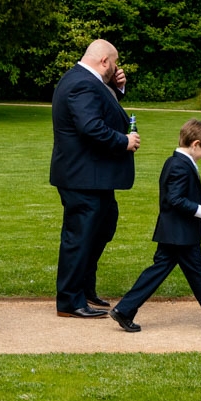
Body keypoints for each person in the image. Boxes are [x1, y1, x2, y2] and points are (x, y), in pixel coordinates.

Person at [109, 118, 201, 333]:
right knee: (197, 274)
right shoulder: (179, 166)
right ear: (195, 144)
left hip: (175, 232)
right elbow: (175, 199)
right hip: (180, 233)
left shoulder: (176, 162)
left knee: (162, 272)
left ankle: (125, 309)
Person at [50, 39, 139, 319]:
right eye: (114, 64)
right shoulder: (81, 83)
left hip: (93, 177)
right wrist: (123, 141)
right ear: (104, 62)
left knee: (103, 225)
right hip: (82, 177)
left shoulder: (89, 81)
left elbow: (102, 108)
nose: (116, 68)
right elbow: (91, 126)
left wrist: (115, 87)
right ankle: (69, 301)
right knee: (79, 236)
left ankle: (84, 289)